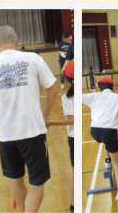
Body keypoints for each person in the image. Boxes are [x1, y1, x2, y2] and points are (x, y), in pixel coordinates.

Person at [0, 26, 58, 213]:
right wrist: (45, 114)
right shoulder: (33, 58)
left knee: (15, 178)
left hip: (5, 134)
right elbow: (52, 89)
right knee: (37, 182)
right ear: (17, 40)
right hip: (32, 131)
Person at [83, 76, 118, 203]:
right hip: (109, 132)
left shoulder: (94, 96)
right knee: (117, 163)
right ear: (112, 86)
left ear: (100, 87)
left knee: (107, 141)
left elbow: (77, 97)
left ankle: (107, 160)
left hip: (94, 131)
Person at [46, 60, 74, 213]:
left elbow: (72, 120)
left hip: (74, 138)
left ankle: (73, 203)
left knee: (75, 170)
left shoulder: (67, 98)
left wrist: (51, 122)